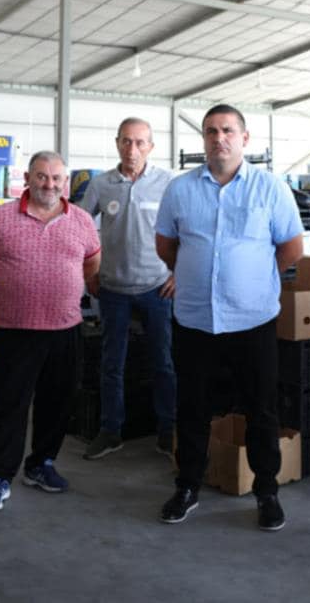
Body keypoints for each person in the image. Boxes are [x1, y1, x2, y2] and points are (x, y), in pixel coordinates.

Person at [155, 104, 304, 531]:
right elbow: (166, 245)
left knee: (261, 409)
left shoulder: (270, 188)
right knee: (192, 408)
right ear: (203, 139)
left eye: (227, 131)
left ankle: (267, 492)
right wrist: (196, 273)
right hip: (195, 320)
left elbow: (291, 247)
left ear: (244, 138)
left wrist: (254, 278)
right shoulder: (180, 190)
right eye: (211, 131)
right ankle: (187, 486)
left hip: (252, 320)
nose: (219, 138)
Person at [0, 151, 101, 512]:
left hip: (64, 328)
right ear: (28, 179)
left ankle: (41, 464)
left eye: (57, 178)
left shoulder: (81, 220)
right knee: (7, 404)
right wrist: (13, 284)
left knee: (57, 401)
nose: (49, 184)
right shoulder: (1, 217)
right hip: (15, 329)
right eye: (42, 176)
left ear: (65, 182)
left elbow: (92, 264)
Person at [77, 117, 177, 459]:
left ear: (150, 146)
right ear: (117, 143)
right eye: (126, 141)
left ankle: (167, 431)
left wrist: (178, 273)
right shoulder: (101, 185)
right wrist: (89, 271)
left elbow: (187, 230)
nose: (132, 149)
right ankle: (111, 431)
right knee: (111, 363)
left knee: (163, 362)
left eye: (139, 142)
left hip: (157, 288)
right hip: (113, 289)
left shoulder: (167, 183)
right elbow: (80, 229)